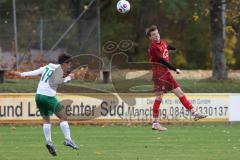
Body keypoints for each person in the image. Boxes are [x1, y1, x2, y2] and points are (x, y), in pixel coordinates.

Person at [145, 25, 207, 131]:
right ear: (150, 38)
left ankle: (194, 113)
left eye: (157, 33)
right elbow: (162, 61)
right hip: (159, 74)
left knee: (180, 93)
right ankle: (155, 123)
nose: (157, 36)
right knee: (159, 98)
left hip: (166, 74)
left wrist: (172, 48)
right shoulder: (152, 48)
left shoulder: (162, 42)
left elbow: (165, 47)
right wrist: (175, 69)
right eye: (154, 35)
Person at [15, 53, 79, 156]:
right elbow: (58, 81)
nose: (69, 66)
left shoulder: (48, 66)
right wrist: (69, 78)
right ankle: (68, 139)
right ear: (64, 63)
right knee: (63, 116)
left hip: (39, 96)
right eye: (69, 64)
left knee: (46, 120)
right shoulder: (59, 70)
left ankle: (49, 142)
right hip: (48, 97)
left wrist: (22, 74)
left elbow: (36, 72)